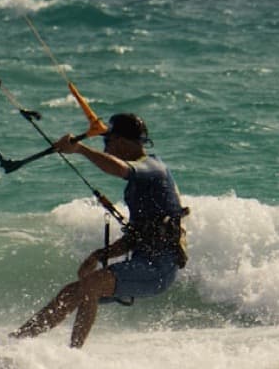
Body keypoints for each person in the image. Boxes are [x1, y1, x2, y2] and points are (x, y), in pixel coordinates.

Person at [12, 112, 188, 348]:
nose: (105, 149)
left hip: (159, 269)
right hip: (142, 264)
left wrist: (81, 149)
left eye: (108, 142)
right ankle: (14, 343)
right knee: (71, 292)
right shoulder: (137, 186)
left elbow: (118, 169)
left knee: (91, 285)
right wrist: (99, 255)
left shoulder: (154, 169)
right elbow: (136, 236)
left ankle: (74, 354)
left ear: (123, 142)